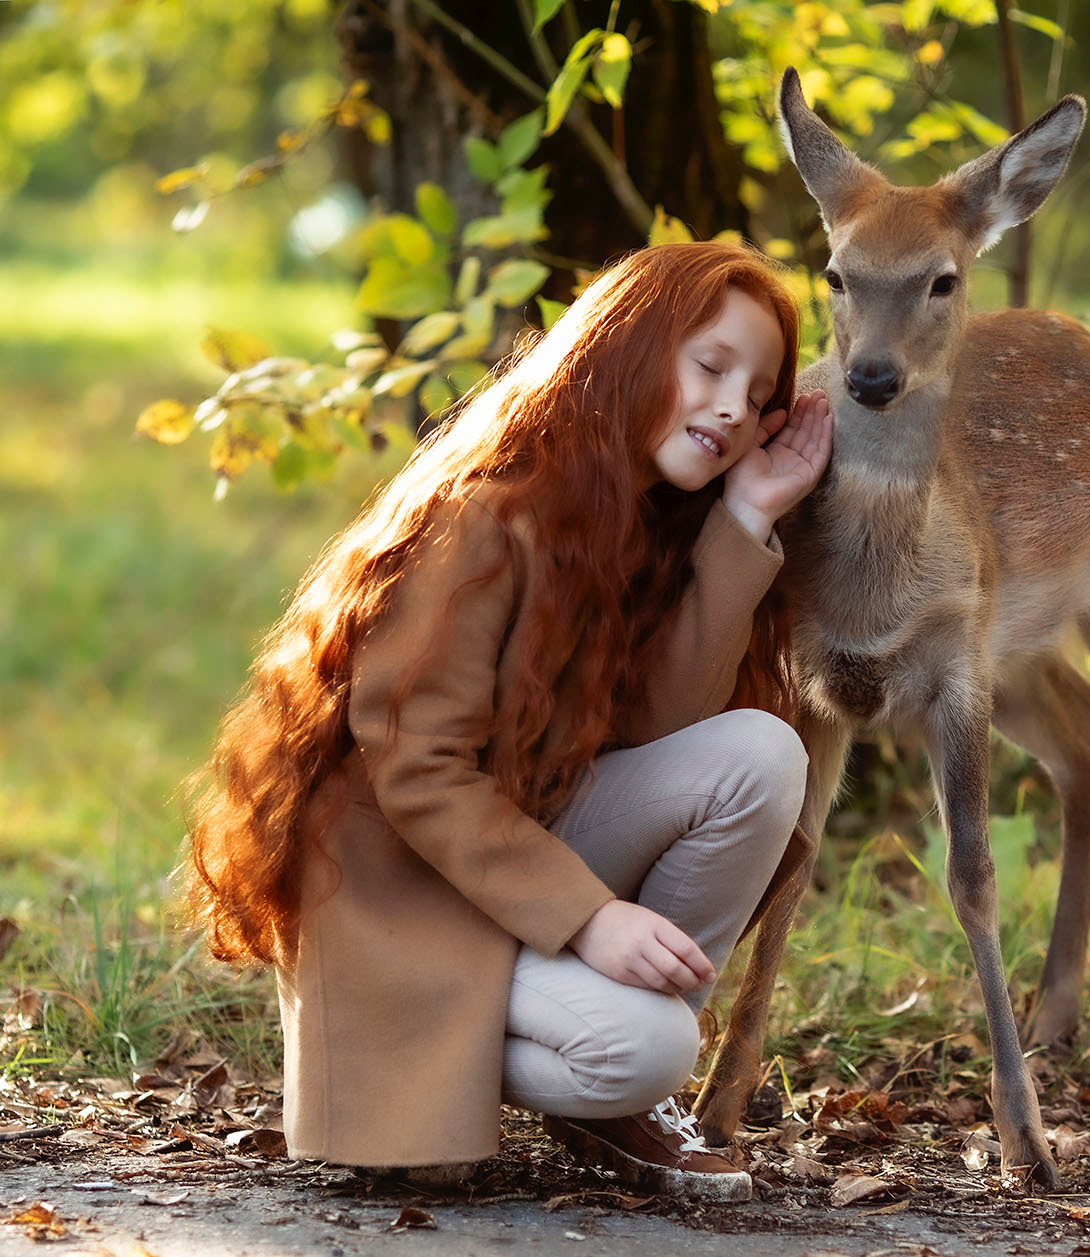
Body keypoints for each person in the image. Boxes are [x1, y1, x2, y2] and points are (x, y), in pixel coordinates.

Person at [185, 240, 833, 1203]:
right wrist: (591, 917)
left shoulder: (649, 523)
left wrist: (744, 520)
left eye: (758, 389)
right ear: (626, 348)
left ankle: (606, 1082)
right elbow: (418, 770)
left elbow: (663, 729)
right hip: (402, 898)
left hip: (515, 859)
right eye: (709, 366)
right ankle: (488, 1063)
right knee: (650, 1043)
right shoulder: (486, 511)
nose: (735, 406)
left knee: (761, 754)